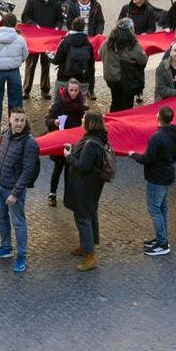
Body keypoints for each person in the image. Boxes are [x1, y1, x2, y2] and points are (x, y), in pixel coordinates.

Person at [0, 107, 39, 274]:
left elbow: (27, 172)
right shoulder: (5, 134)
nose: (19, 123)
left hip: (12, 190)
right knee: (0, 218)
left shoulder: (29, 143)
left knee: (18, 223)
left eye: (22, 120)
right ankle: (6, 248)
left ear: (26, 122)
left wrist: (15, 194)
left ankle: (22, 256)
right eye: (16, 120)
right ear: (10, 119)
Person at [128, 105, 176, 257]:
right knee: (163, 208)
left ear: (158, 118)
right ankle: (161, 238)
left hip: (156, 178)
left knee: (155, 210)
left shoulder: (155, 138)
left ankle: (163, 243)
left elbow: (147, 159)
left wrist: (133, 155)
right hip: (167, 175)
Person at [63, 110, 111, 271]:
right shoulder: (97, 138)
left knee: (83, 217)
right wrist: (74, 149)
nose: (82, 119)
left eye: (84, 118)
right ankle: (88, 245)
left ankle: (90, 255)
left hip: (85, 186)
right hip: (92, 186)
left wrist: (68, 156)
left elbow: (83, 166)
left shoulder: (91, 143)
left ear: (90, 123)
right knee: (90, 213)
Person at [43, 78, 87, 207]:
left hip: (73, 143)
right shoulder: (59, 104)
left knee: (70, 170)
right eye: (71, 90)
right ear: (67, 90)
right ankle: (52, 193)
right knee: (58, 168)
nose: (73, 93)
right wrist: (54, 122)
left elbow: (82, 122)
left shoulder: (80, 105)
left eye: (76, 91)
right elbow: (48, 120)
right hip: (60, 142)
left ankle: (69, 195)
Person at [20, 0, 63, 97]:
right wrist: (33, 25)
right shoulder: (32, 0)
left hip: (48, 40)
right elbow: (24, 16)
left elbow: (60, 19)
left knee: (46, 64)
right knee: (31, 64)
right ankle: (26, 89)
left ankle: (45, 90)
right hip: (34, 39)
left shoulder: (56, 3)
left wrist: (57, 27)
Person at [101, 20, 149, 112]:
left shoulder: (108, 42)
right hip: (126, 80)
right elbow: (142, 60)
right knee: (127, 104)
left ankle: (113, 121)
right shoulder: (132, 44)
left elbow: (100, 53)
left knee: (115, 101)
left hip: (110, 78)